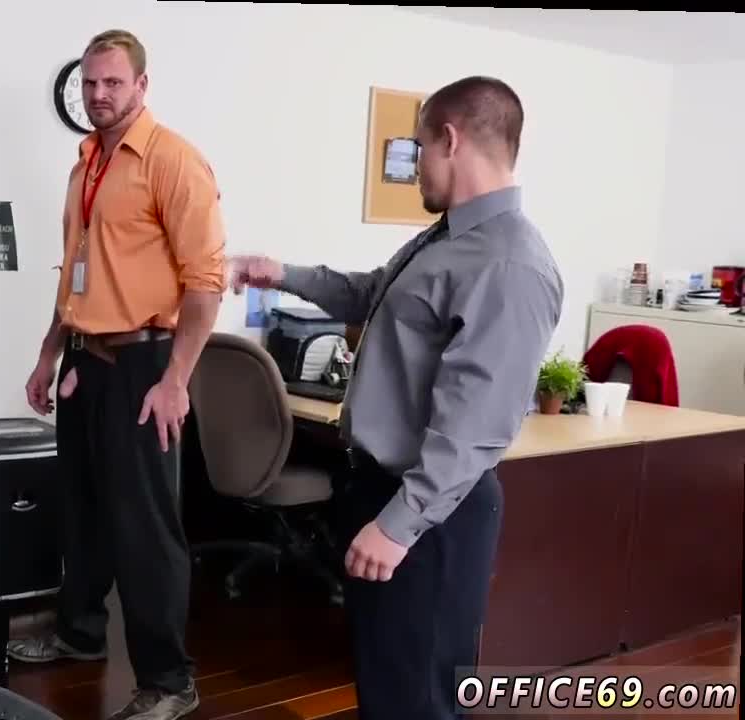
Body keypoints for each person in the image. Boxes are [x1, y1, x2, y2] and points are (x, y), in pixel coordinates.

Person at [230, 76, 563, 720]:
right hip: (385, 492)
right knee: (386, 687)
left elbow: (477, 425)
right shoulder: (447, 238)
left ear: (451, 140)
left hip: (429, 514)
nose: (414, 168)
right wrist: (283, 275)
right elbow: (372, 293)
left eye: (418, 148)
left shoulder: (508, 264)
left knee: (420, 699)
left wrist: (399, 523)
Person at [7, 29, 226, 720]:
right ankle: (80, 634)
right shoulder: (86, 164)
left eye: (112, 83)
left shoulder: (174, 161)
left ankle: (169, 680)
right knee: (82, 511)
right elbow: (75, 272)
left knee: (145, 528)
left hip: (146, 365)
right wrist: (50, 352)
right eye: (90, 83)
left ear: (141, 85)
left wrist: (176, 380)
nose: (98, 95)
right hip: (86, 359)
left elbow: (206, 283)